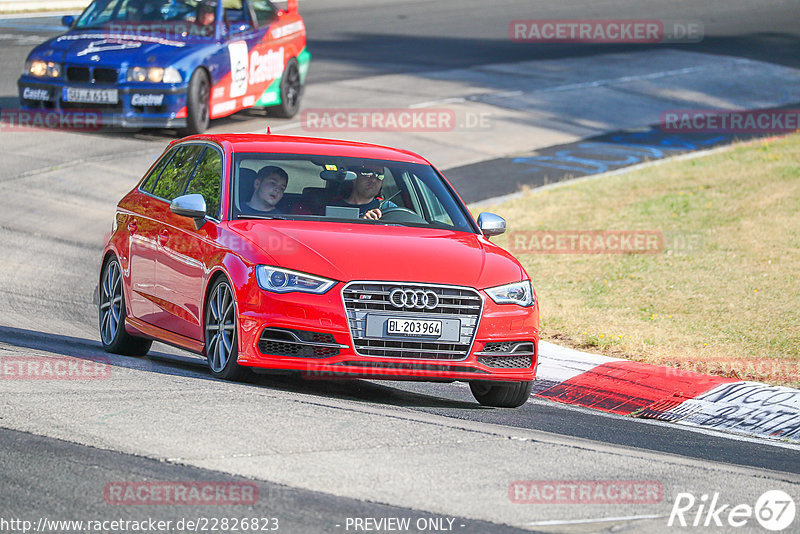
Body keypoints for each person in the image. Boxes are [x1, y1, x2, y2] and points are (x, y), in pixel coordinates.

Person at [329, 164, 396, 220]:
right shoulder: (334, 207)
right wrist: (362, 222)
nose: (373, 180)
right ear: (354, 178)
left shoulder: (388, 208)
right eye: (367, 173)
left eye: (379, 176)